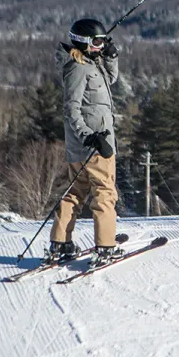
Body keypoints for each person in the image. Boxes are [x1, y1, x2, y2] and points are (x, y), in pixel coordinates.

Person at [46, 18, 122, 267]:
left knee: (75, 193)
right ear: (84, 42)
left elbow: (107, 83)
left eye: (103, 42)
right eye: (98, 42)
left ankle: (60, 242)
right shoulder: (78, 69)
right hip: (94, 144)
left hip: (82, 145)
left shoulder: (89, 64)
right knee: (104, 193)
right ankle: (105, 246)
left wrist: (110, 57)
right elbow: (71, 108)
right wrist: (89, 135)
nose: (101, 45)